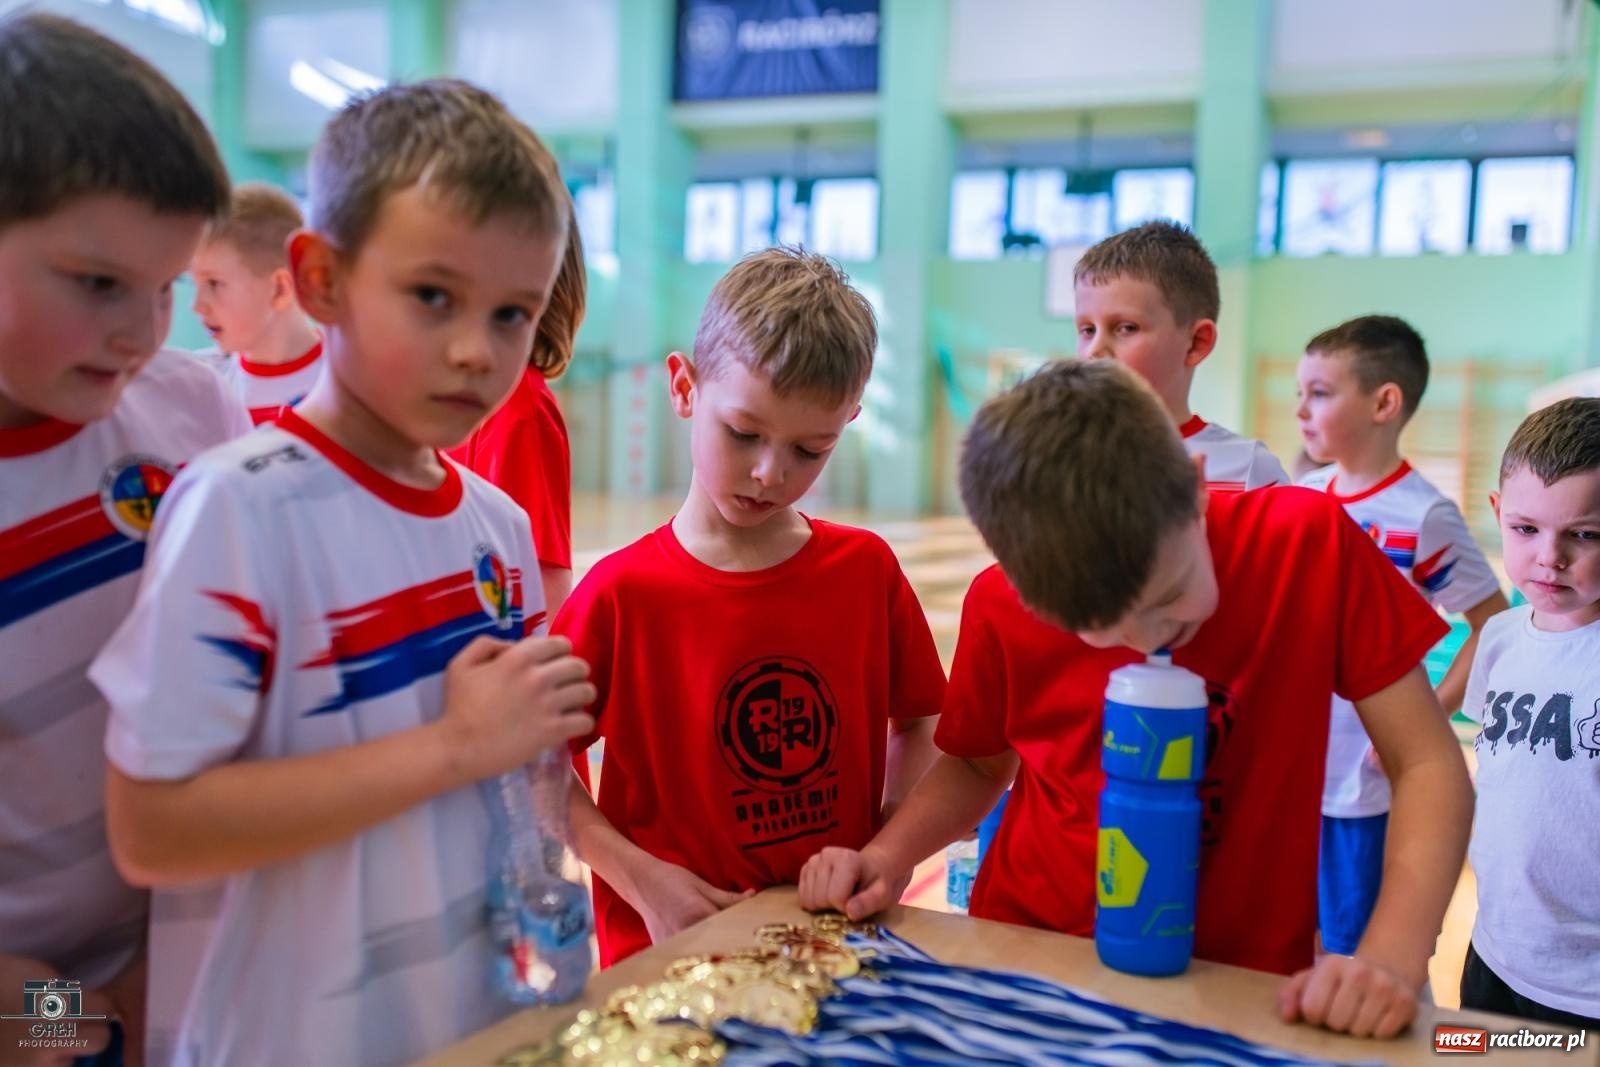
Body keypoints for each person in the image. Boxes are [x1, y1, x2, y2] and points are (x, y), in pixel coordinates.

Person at [89, 80, 595, 1066]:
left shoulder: (495, 528)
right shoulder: (238, 508)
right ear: (319, 278)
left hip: (465, 1027)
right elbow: (152, 827)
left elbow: (500, 812)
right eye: (433, 296)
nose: (474, 349)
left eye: (511, 313)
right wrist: (455, 743)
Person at [800, 359, 1474, 1040]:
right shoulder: (998, 603)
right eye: (1102, 628)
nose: (1149, 638)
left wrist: (1389, 958)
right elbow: (977, 765)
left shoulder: (1306, 542)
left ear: (1197, 490)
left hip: (1236, 978)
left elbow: (1425, 761)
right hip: (1029, 951)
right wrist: (888, 855)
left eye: (1168, 593)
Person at [556, 248, 946, 966]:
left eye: (810, 449)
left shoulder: (864, 572)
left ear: (849, 422)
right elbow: (535, 765)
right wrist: (640, 881)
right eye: (744, 433)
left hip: (833, 948)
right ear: (684, 386)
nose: (771, 472)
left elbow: (920, 721)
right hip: (666, 959)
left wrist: (886, 849)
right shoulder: (620, 594)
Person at [0, 13, 243, 1064]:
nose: (143, 333)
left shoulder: (195, 414)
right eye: (98, 283)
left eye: (169, 289)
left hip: (189, 951)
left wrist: (164, 978)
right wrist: (81, 1016)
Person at [1295, 314, 1506, 957]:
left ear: (1385, 402)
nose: (1301, 410)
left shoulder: (1422, 515)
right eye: (1299, 393)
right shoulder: (1301, 497)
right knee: (1283, 949)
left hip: (1362, 779)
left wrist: (1427, 720)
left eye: (1321, 394)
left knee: (1356, 952)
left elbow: (1493, 623)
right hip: (1293, 766)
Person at [1458, 396, 1600, 1027]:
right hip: (1496, 951)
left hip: (1587, 988)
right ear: (1496, 514)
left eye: (1585, 534)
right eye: (1526, 529)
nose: (1550, 556)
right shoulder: (1500, 639)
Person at [1074, 220, 1288, 492]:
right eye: (1087, 330)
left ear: (1196, 343)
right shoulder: (1052, 458)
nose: (1094, 349)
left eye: (1126, 328)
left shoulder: (1249, 470)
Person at [189, 182, 323, 425]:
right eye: (194, 284)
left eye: (214, 283)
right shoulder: (199, 388)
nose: (197, 305)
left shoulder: (351, 383)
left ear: (280, 289)